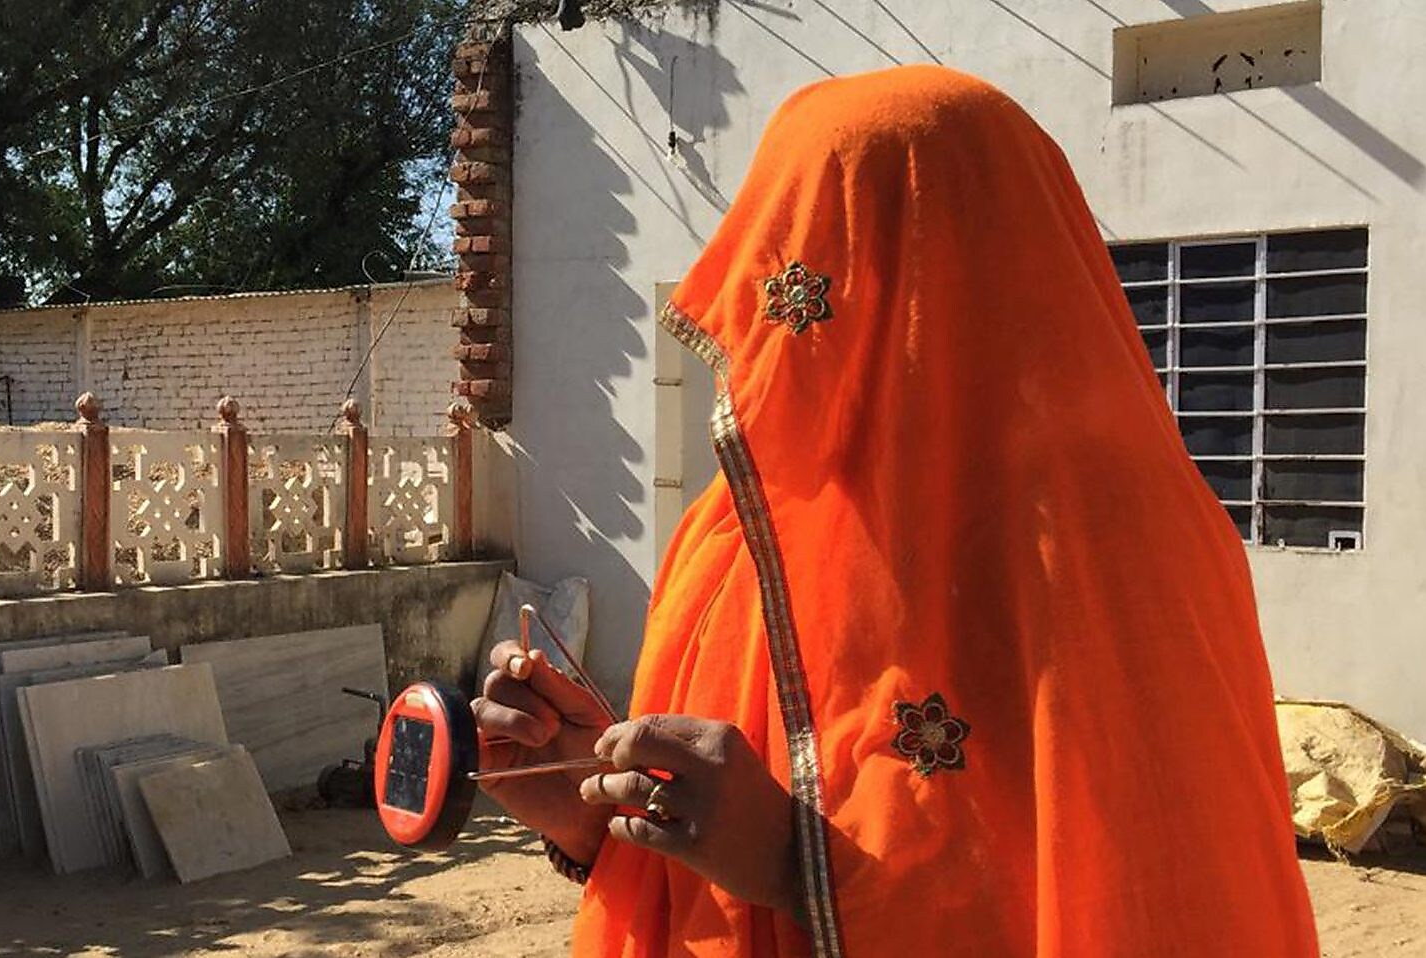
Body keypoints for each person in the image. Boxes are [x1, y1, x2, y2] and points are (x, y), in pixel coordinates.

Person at [472, 65, 1320, 957]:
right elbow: (698, 864)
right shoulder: (735, 529)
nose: (787, 333)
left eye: (827, 273)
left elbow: (1148, 908)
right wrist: (593, 808)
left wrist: (799, 869)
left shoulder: (1111, 554)